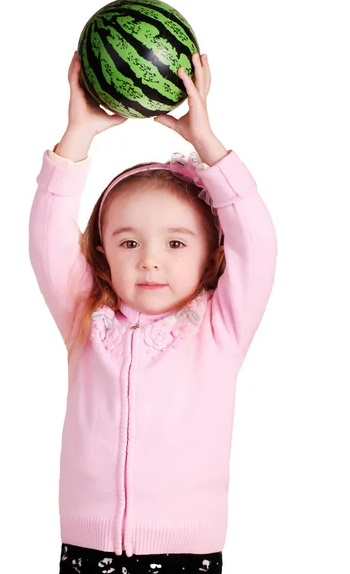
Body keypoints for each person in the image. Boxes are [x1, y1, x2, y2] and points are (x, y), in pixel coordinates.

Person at [29, 51, 277, 574]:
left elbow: (257, 239)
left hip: (187, 553)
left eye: (176, 243)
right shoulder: (85, 320)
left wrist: (206, 142)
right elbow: (48, 240)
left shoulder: (219, 328)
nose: (150, 260)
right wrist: (77, 136)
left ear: (214, 254)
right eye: (128, 242)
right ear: (102, 253)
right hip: (86, 550)